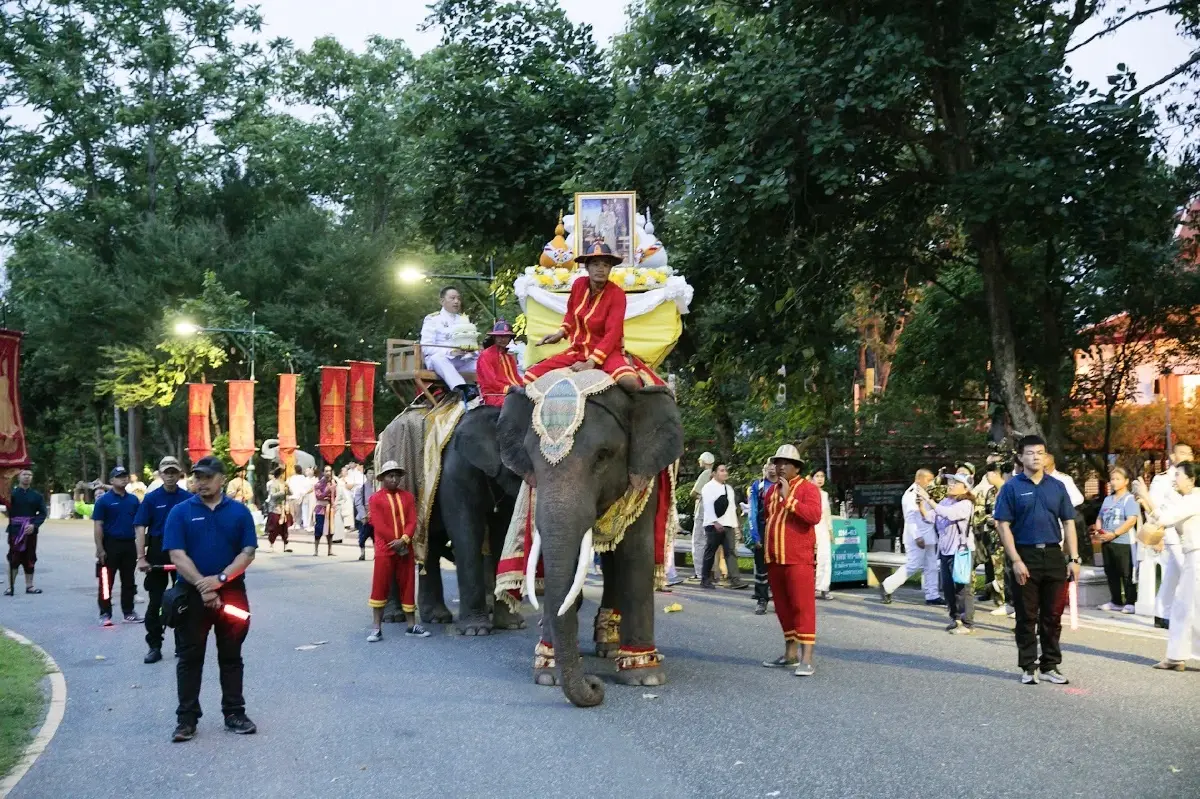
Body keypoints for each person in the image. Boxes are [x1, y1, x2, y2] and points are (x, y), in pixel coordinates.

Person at [163, 456, 258, 742]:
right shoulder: (180, 512)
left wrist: (219, 581)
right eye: (197, 478)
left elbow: (248, 552)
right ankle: (186, 719)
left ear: (221, 479)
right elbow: (176, 554)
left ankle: (234, 713)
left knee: (231, 656)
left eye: (206, 477)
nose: (200, 483)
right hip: (191, 596)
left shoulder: (239, 513)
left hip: (231, 594)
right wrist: (204, 587)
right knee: (189, 658)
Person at [993, 434, 1082, 685]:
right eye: (1030, 453)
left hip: (1054, 554)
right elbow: (1002, 525)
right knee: (1027, 615)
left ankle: (1050, 665)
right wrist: (1016, 560)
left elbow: (1068, 522)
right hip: (1025, 554)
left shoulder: (1057, 486)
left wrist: (1073, 558)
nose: (1036, 457)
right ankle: (1028, 666)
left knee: (1053, 616)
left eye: (1040, 452)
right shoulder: (1011, 487)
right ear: (1020, 457)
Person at [525, 242, 643, 391]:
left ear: (610, 268)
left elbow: (613, 333)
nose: (600, 269)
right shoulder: (578, 285)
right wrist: (560, 333)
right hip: (578, 351)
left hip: (608, 354)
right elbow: (570, 314)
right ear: (586, 267)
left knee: (630, 383)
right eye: (595, 264)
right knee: (530, 376)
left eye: (605, 265)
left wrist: (591, 362)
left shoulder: (617, 294)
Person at [760, 445, 824, 677]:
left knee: (802, 607)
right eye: (777, 463)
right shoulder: (769, 491)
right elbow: (767, 519)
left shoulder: (808, 489)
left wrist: (789, 500)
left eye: (785, 463)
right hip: (775, 557)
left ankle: (807, 658)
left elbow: (814, 517)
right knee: (783, 607)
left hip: (799, 558)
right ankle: (790, 654)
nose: (780, 467)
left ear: (796, 467)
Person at [1137, 461, 1200, 671]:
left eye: (1179, 475)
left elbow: (1165, 517)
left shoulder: (1195, 498)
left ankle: (1176, 657)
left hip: (1197, 557)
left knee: (1188, 607)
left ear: (1191, 480)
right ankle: (1176, 656)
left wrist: (1146, 496)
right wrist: (1147, 501)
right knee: (1185, 607)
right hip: (1192, 556)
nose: (1175, 479)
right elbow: (1164, 514)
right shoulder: (1187, 498)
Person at [133, 456, 191, 663]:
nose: (170, 476)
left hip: (181, 549)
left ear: (179, 474)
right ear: (160, 473)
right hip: (157, 549)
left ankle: (182, 645)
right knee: (156, 602)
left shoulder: (187, 498)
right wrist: (141, 557)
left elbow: (195, 529)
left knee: (184, 601)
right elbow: (140, 528)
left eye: (173, 472)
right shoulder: (151, 498)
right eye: (166, 472)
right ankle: (154, 646)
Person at [366, 461, 429, 641]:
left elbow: (412, 520)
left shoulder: (407, 497)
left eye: (396, 476)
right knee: (380, 586)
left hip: (404, 547)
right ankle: (376, 628)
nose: (394, 479)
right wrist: (393, 541)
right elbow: (378, 524)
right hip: (384, 549)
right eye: (390, 476)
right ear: (383, 478)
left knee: (408, 585)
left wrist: (404, 539)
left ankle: (411, 625)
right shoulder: (375, 499)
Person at [1140, 442, 1193, 629]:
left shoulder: (1192, 478)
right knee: (1187, 570)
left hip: (1187, 529)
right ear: (1172, 456)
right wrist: (1158, 535)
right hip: (1170, 530)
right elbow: (1151, 506)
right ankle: (1187, 615)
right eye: (1182, 452)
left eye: (1190, 453)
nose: (1187, 456)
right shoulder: (1162, 480)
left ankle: (1161, 613)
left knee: (1173, 573)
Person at [919, 472, 976, 634]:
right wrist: (922, 505)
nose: (950, 484)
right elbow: (931, 517)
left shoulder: (966, 503)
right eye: (950, 481)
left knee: (962, 588)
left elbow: (948, 513)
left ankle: (967, 623)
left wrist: (930, 500)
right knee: (948, 587)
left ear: (966, 488)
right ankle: (955, 618)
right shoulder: (946, 501)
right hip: (945, 551)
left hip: (961, 552)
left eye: (955, 482)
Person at [881, 469, 941, 605]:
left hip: (929, 535)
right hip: (916, 537)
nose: (931, 482)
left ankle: (932, 595)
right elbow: (910, 518)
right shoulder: (911, 494)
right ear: (918, 479)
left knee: (931, 566)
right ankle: (887, 585)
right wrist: (917, 536)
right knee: (913, 565)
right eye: (928, 480)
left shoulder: (925, 492)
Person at [92, 466, 143, 626]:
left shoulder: (133, 500)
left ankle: (128, 612)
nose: (123, 479)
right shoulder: (104, 501)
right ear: (111, 480)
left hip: (129, 545)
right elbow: (98, 525)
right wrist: (100, 548)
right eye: (119, 476)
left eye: (125, 476)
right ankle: (105, 613)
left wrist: (141, 549)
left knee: (128, 580)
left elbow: (139, 525)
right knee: (106, 581)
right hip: (110, 545)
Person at [1092, 466, 1139, 613]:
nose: (1114, 482)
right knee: (1111, 572)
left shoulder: (1130, 499)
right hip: (1107, 541)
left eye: (1118, 479)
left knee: (1127, 572)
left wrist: (1114, 533)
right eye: (1112, 479)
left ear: (1126, 481)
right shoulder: (1108, 499)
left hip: (1124, 542)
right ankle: (1116, 601)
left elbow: (1131, 520)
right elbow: (1100, 517)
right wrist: (1100, 531)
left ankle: (1130, 601)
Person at [421, 286, 478, 405]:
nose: (456, 301)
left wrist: (471, 351)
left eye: (458, 298)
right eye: (452, 298)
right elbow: (426, 347)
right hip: (441, 360)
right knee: (437, 358)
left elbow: (471, 342)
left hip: (461, 360)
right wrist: (450, 352)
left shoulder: (463, 319)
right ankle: (461, 389)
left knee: (482, 361)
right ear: (442, 301)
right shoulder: (433, 319)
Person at [699, 463, 748, 590]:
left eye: (725, 470)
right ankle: (705, 579)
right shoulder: (708, 488)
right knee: (710, 551)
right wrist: (715, 522)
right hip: (713, 525)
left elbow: (732, 509)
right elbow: (708, 506)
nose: (725, 473)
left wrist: (736, 526)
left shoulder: (729, 489)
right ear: (714, 473)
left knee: (731, 552)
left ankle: (735, 579)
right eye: (721, 470)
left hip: (728, 525)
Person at [4, 468, 48, 596]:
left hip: (30, 531)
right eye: (24, 474)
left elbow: (43, 513)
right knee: (13, 558)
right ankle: (10, 586)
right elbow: (6, 510)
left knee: (30, 557)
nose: (27, 477)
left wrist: (34, 525)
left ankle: (30, 586)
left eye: (29, 474)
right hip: (15, 530)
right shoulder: (10, 494)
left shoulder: (37, 496)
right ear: (19, 477)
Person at [746, 462, 778, 614]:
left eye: (774, 465)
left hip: (779, 530)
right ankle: (762, 599)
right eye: (768, 465)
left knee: (779, 567)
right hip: (762, 529)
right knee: (761, 567)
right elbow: (752, 510)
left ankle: (780, 600)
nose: (772, 468)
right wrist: (755, 535)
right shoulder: (758, 486)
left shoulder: (784, 484)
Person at [476, 319, 523, 407]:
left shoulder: (509, 357)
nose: (503, 339)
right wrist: (511, 389)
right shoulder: (486, 355)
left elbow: (516, 377)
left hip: (511, 393)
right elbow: (491, 381)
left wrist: (524, 387)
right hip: (494, 395)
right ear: (494, 338)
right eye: (499, 336)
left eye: (506, 336)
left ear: (510, 338)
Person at [688, 452, 716, 582]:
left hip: (702, 509)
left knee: (698, 541)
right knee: (708, 541)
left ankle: (699, 572)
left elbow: (694, 492)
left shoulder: (706, 473)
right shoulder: (716, 474)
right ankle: (710, 571)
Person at [811, 468, 834, 600]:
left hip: (823, 529)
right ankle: (812, 587)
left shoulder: (824, 494)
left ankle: (824, 587)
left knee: (825, 558)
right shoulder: (808, 492)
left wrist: (830, 531)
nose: (820, 479)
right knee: (814, 559)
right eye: (817, 476)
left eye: (822, 476)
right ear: (812, 478)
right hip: (812, 528)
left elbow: (827, 514)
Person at [263, 467, 291, 553]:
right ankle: (271, 545)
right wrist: (281, 492)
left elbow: (290, 493)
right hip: (275, 508)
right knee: (274, 527)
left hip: (283, 508)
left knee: (284, 528)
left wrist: (288, 489)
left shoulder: (285, 484)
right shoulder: (273, 484)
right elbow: (272, 495)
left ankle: (285, 545)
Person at [313, 465, 336, 556]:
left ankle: (329, 550)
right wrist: (328, 490)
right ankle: (316, 550)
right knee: (319, 529)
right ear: (323, 472)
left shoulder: (333, 483)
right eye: (326, 471)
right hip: (320, 509)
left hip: (330, 508)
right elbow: (319, 496)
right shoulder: (318, 484)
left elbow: (335, 495)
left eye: (329, 471)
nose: (328, 473)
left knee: (330, 530)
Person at [355, 468, 376, 561]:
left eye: (373, 473)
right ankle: (362, 553)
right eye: (369, 473)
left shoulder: (377, 488)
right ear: (366, 475)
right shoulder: (361, 489)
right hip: (365, 516)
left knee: (376, 536)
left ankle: (376, 553)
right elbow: (358, 503)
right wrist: (363, 515)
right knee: (362, 536)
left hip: (375, 515)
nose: (371, 475)